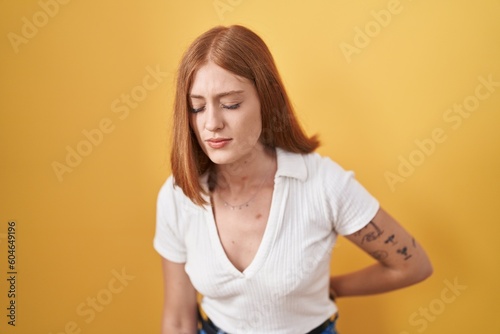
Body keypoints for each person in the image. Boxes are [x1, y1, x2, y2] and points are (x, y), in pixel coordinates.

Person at [153, 25, 433, 334]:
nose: (212, 123)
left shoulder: (323, 184)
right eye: (197, 107)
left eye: (231, 104)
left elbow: (412, 264)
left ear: (267, 99)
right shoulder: (178, 196)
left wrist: (331, 286)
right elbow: (179, 319)